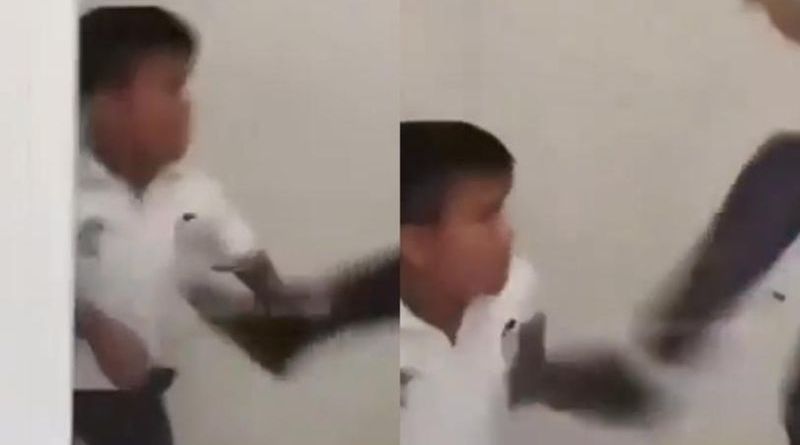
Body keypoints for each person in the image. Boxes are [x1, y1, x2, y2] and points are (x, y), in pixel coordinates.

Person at [400, 121, 657, 445]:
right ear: (418, 244)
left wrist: (552, 383)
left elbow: (506, 383)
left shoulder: (514, 292)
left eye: (503, 210)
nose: (509, 232)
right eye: (487, 216)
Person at [74, 7, 263, 444]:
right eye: (172, 88)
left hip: (142, 411)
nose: (187, 106)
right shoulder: (58, 195)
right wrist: (90, 322)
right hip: (55, 404)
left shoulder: (197, 195)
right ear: (107, 101)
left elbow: (259, 283)